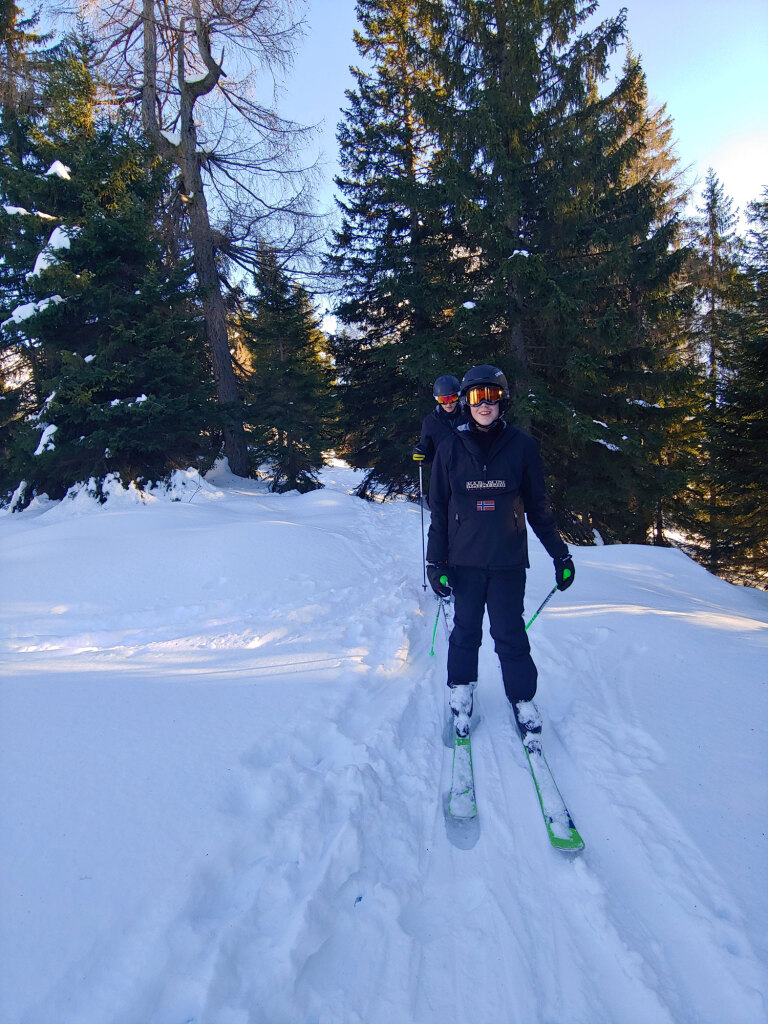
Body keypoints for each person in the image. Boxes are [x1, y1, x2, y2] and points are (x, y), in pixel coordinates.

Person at [425, 364, 575, 740]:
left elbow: (539, 508)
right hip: (464, 562)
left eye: (491, 395)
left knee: (510, 633)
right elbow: (440, 511)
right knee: (465, 631)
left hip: (508, 561)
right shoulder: (449, 448)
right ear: (465, 402)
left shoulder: (522, 447)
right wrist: (435, 561)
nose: (484, 404)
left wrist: (561, 555)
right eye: (476, 396)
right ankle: (461, 689)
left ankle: (523, 697)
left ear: (503, 400)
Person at [412, 375, 466, 465]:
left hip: (468, 469)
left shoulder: (469, 417)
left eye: (453, 398)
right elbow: (428, 452)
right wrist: (420, 452)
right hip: (443, 470)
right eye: (444, 399)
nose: (448, 403)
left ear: (459, 396)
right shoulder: (430, 422)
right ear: (437, 399)